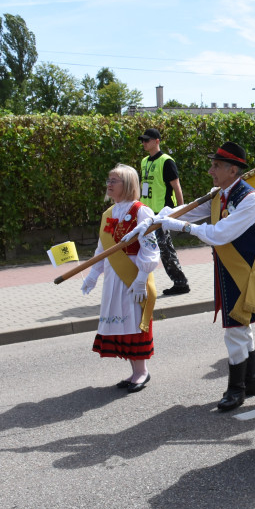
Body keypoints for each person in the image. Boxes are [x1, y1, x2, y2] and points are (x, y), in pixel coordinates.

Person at [142, 142, 255, 411]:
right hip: (228, 271)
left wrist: (179, 226)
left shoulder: (250, 200)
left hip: (245, 274)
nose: (210, 170)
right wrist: (159, 216)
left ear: (233, 170)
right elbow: (190, 210)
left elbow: (218, 233)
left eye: (216, 166)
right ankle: (253, 380)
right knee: (240, 327)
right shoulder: (219, 193)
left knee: (234, 330)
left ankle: (236, 389)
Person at [81, 164, 161, 393]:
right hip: (114, 278)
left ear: (127, 184)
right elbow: (101, 250)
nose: (109, 184)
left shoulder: (141, 211)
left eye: (114, 180)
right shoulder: (108, 213)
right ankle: (134, 371)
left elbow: (151, 249)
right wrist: (93, 275)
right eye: (109, 180)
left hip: (134, 274)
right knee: (122, 321)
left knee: (135, 321)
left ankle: (142, 371)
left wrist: (141, 278)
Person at [138, 128, 190, 295]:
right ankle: (143, 282)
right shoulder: (144, 161)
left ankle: (181, 283)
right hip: (147, 212)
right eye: (143, 140)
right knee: (149, 247)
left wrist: (180, 211)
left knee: (164, 247)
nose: (144, 143)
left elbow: (176, 187)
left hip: (163, 212)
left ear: (157, 141)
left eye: (147, 140)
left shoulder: (167, 161)